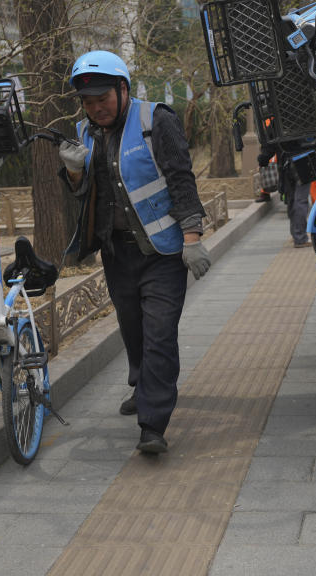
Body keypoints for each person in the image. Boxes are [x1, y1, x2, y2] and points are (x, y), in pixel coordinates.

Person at [58, 50, 211, 455]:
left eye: (102, 99)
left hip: (162, 253)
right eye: (88, 103)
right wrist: (74, 172)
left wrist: (193, 237)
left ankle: (153, 423)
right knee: (135, 331)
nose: (95, 109)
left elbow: (181, 178)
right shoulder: (85, 131)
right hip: (117, 253)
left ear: (122, 89)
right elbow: (86, 196)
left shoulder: (155, 120)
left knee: (159, 334)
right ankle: (143, 386)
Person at [257, 140, 311, 248]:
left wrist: (263, 158)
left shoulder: (274, 123)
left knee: (291, 199)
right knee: (300, 200)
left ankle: (296, 234)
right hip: (304, 160)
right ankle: (300, 238)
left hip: (284, 163)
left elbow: (269, 144)